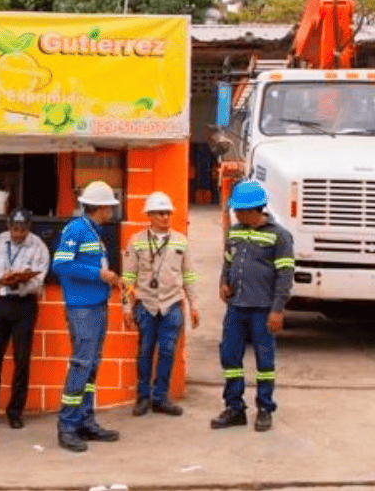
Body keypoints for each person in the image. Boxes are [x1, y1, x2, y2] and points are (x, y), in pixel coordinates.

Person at [212, 179, 294, 433]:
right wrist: (223, 282)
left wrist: (277, 310)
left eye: (239, 209)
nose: (235, 213)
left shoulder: (279, 236)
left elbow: (285, 276)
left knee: (265, 362)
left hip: (263, 310)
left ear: (254, 209)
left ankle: (265, 409)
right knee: (230, 357)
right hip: (236, 307)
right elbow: (228, 260)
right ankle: (235, 408)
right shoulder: (235, 231)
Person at [50, 181, 123, 452]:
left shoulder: (93, 231)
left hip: (97, 304)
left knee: (91, 366)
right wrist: (98, 275)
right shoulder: (76, 229)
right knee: (81, 364)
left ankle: (85, 420)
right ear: (100, 207)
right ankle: (67, 425)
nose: (112, 212)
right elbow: (60, 264)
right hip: (82, 308)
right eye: (109, 207)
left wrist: (107, 278)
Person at [0, 209, 48, 430]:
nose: (19, 234)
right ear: (8, 225)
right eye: (15, 229)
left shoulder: (38, 246)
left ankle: (15, 412)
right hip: (0, 302)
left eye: (23, 230)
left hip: (24, 304)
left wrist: (21, 282)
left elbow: (40, 278)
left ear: (29, 227)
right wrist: (2, 279)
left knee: (21, 360)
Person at [124, 191, 199, 417]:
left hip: (172, 304)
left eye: (168, 213)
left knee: (167, 352)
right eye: (160, 213)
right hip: (146, 304)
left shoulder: (180, 241)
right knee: (145, 351)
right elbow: (128, 278)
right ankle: (143, 397)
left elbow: (189, 275)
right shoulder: (136, 242)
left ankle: (161, 397)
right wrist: (127, 308)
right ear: (149, 215)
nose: (165, 217)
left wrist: (194, 305)